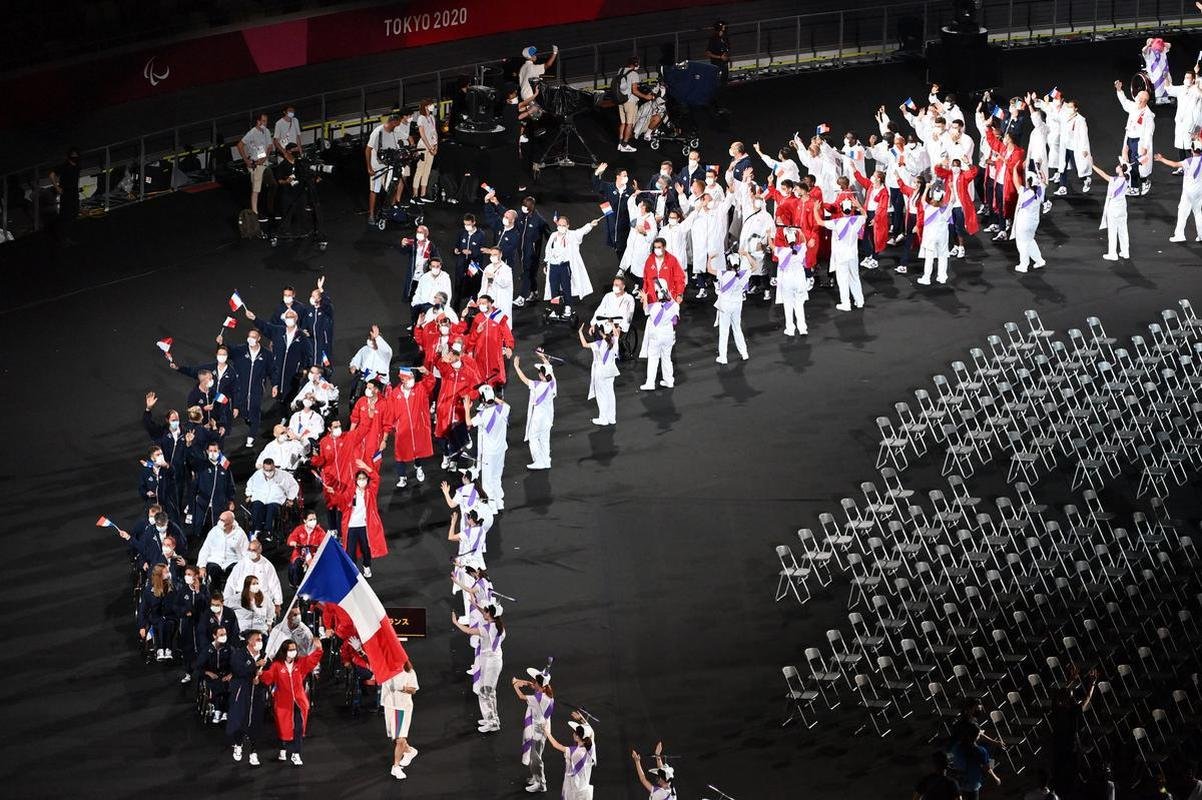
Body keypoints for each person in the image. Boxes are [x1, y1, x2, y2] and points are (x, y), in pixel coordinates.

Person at [259, 637, 323, 766]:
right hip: (283, 703)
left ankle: (296, 753)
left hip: (299, 701)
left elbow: (312, 660)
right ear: (284, 651)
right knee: (283, 728)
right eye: (290, 649)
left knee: (298, 727)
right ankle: (282, 748)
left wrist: (319, 649)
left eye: (294, 649)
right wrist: (260, 673)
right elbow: (268, 678)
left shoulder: (300, 663)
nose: (293, 652)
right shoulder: (277, 665)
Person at [451, 603, 506, 733]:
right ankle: (491, 719)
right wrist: (477, 605)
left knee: (486, 692)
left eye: (485, 611)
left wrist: (455, 622)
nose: (483, 613)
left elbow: (468, 631)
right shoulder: (500, 626)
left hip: (490, 663)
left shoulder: (486, 629)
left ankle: (492, 723)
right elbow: (487, 614)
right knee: (488, 692)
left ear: (490, 614)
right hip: (493, 661)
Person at [543, 214, 600, 320]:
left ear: (568, 226)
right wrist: (546, 263)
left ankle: (568, 307)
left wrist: (590, 225)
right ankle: (555, 309)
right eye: (559, 225)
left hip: (564, 267)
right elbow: (548, 250)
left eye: (563, 225)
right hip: (553, 267)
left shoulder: (572, 235)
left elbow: (581, 231)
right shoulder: (553, 236)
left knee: (566, 288)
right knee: (554, 289)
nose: (561, 227)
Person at [385, 367, 435, 487]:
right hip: (403, 430)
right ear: (403, 380)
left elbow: (431, 382)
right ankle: (402, 477)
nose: (412, 380)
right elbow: (390, 413)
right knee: (400, 454)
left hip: (418, 427)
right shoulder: (394, 394)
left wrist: (427, 372)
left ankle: (418, 467)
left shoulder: (420, 388)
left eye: (412, 377)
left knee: (417, 450)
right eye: (409, 378)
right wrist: (392, 427)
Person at [337, 461, 388, 576]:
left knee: (366, 549)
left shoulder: (371, 492)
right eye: (359, 478)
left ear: (367, 479)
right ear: (356, 480)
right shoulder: (350, 491)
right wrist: (335, 495)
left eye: (364, 478)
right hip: (351, 526)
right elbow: (341, 504)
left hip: (365, 526)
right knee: (350, 551)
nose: (362, 481)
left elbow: (376, 478)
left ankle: (366, 566)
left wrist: (366, 467)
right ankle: (354, 570)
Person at [227, 630, 270, 766]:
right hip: (242, 692)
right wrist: (254, 665)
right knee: (240, 718)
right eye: (257, 639)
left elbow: (269, 674)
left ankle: (253, 751)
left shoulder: (264, 656)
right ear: (249, 641)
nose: (260, 642)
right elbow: (238, 669)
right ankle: (238, 744)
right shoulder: (239, 654)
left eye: (261, 639)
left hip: (257, 693)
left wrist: (261, 678)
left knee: (256, 720)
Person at [465, 384, 510, 512]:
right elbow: (504, 404)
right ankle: (499, 502)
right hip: (501, 450)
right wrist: (493, 397)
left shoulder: (483, 415)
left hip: (489, 453)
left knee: (487, 480)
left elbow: (468, 423)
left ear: (483, 400)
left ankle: (492, 507)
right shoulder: (504, 409)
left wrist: (467, 408)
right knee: (496, 477)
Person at [819, 196, 867, 309]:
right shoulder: (857, 220)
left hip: (841, 256)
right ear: (852, 209)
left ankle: (846, 303)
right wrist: (859, 206)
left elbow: (819, 222)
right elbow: (865, 215)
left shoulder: (836, 223)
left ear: (841, 209)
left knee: (843, 279)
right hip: (853, 255)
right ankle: (859, 301)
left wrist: (816, 210)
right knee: (855, 277)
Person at [513, 667, 555, 793]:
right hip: (543, 727)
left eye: (534, 682)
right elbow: (535, 688)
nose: (533, 683)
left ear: (540, 685)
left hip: (538, 731)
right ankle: (536, 777)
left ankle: (541, 783)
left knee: (536, 758)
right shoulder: (547, 694)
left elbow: (521, 697)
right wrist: (527, 683)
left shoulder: (538, 698)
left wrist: (515, 685)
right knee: (535, 756)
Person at [188, 440, 236, 547]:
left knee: (217, 527)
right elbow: (194, 486)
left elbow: (230, 485)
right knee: (199, 526)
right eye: (210, 451)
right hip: (202, 503)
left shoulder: (225, 467)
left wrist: (231, 500)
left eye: (215, 450)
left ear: (219, 451)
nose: (213, 453)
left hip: (219, 503)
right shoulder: (201, 466)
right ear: (207, 451)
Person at [512, 354, 556, 470]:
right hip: (548, 417)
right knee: (545, 439)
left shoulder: (538, 385)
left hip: (538, 418)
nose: (538, 374)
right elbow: (549, 368)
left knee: (533, 437)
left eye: (539, 372)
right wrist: (543, 358)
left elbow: (524, 379)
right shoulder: (553, 383)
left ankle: (539, 461)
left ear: (542, 375)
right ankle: (546, 461)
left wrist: (516, 367)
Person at [1114, 79, 1155, 196]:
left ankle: (1140, 184)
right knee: (1129, 163)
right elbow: (1124, 102)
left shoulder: (1148, 115)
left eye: (1138, 97)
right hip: (1129, 139)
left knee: (1137, 165)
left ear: (1143, 101)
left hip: (1139, 142)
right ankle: (1136, 186)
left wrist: (1145, 147)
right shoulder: (1134, 106)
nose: (1136, 98)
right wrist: (1119, 90)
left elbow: (1149, 132)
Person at [465, 295, 515, 390]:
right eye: (480, 303)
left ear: (490, 303)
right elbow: (472, 335)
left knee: (496, 377)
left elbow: (507, 333)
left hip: (494, 353)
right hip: (480, 353)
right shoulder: (478, 318)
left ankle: (498, 392)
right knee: (481, 378)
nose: (481, 305)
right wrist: (470, 350)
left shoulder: (499, 317)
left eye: (483, 303)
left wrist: (509, 347)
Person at [366, 111, 406, 226]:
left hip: (389, 166)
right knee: (375, 190)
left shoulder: (393, 132)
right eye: (397, 124)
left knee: (392, 187)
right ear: (393, 122)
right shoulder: (378, 132)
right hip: (377, 167)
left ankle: (390, 211)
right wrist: (369, 167)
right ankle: (371, 215)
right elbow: (368, 150)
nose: (397, 126)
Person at [223, 539, 283, 617]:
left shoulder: (267, 565)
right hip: (243, 598)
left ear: (260, 550)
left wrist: (278, 604)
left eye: (254, 550)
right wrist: (226, 601)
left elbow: (274, 584)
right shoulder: (242, 563)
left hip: (261, 600)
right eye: (249, 550)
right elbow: (231, 582)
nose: (251, 552)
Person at [381, 659, 420, 780]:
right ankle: (409, 751)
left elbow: (413, 690)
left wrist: (402, 687)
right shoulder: (385, 669)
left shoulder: (409, 671)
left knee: (400, 739)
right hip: (389, 706)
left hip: (402, 708)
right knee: (395, 737)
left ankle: (396, 767)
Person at [243, 458, 299, 541]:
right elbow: (250, 484)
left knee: (271, 509)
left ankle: (268, 531)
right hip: (260, 498)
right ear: (263, 468)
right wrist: (249, 495)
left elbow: (294, 486)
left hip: (275, 499)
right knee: (256, 507)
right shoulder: (257, 474)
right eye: (266, 470)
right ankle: (256, 530)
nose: (268, 472)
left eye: (270, 470)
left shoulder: (283, 475)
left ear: (274, 467)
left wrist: (290, 498)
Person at [1155, 144, 1202, 241]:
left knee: (1182, 213)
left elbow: (1174, 164)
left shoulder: (1188, 161)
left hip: (1188, 192)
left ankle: (1180, 235)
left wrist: (1161, 159)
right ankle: (1201, 235)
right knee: (1198, 213)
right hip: (1199, 192)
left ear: (1192, 150)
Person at [639, 282, 679, 390]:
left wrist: (645, 298)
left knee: (653, 358)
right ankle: (669, 381)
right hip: (668, 335)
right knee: (667, 357)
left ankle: (650, 383)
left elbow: (645, 311)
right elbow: (675, 321)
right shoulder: (675, 306)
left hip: (656, 336)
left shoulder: (654, 306)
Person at [712, 252, 751, 363]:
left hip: (725, 305)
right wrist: (747, 255)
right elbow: (755, 266)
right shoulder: (743, 274)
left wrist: (710, 258)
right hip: (737, 304)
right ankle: (744, 353)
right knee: (737, 328)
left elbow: (709, 269)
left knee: (724, 331)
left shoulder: (723, 274)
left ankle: (723, 357)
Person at [237, 113, 276, 223]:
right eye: (263, 121)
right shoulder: (252, 133)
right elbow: (239, 145)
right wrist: (246, 160)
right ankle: (255, 213)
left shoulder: (266, 131)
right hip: (256, 164)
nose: (265, 123)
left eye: (266, 121)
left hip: (264, 163)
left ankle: (270, 209)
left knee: (273, 184)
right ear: (258, 121)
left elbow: (269, 146)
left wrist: (265, 157)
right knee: (256, 189)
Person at [547, 715, 597, 799]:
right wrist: (581, 719)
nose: (573, 733)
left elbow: (556, 745)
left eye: (574, 732)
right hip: (584, 788)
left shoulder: (573, 752)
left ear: (577, 737)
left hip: (573, 788)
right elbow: (591, 732)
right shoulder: (591, 747)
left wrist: (547, 732)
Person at [175, 565, 210, 684]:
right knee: (187, 648)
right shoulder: (183, 590)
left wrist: (198, 591)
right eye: (186, 574)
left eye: (189, 574)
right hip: (187, 623)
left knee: (202, 647)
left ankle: (203, 673)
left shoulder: (204, 589)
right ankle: (188, 672)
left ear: (196, 576)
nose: (187, 577)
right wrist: (185, 611)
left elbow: (207, 604)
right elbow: (176, 606)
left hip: (200, 623)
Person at [592, 163, 635, 257]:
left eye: (626, 176)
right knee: (616, 248)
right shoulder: (609, 187)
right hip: (611, 223)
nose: (626, 178)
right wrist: (597, 173)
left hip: (625, 226)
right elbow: (596, 185)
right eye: (624, 175)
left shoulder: (630, 190)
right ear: (618, 177)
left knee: (623, 250)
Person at [138, 563, 179, 661]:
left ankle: (168, 649)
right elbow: (143, 609)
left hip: (170, 617)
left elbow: (175, 605)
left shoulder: (172, 588)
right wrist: (142, 626)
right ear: (159, 575)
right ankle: (160, 649)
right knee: (161, 623)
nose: (168, 574)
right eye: (166, 572)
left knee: (166, 623)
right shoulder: (149, 591)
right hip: (156, 617)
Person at [1053, 99, 1093, 196]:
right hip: (1065, 146)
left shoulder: (1080, 120)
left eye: (1071, 107)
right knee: (1062, 166)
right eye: (1068, 107)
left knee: (1077, 169)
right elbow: (1055, 118)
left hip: (1075, 148)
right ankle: (1063, 187)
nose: (1069, 109)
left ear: (1076, 108)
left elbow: (1084, 135)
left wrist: (1084, 149)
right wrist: (1057, 108)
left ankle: (1086, 179)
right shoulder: (1064, 116)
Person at [949, 725, 1000, 799]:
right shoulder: (980, 750)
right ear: (976, 736)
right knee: (990, 761)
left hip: (959, 780)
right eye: (979, 734)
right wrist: (995, 778)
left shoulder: (957, 746)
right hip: (972, 783)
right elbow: (987, 768)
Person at [614, 56, 654, 151]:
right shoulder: (634, 74)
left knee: (623, 123)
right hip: (630, 102)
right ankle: (625, 145)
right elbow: (634, 91)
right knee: (630, 124)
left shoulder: (621, 70)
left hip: (621, 100)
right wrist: (646, 96)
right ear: (636, 64)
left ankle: (620, 143)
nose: (639, 66)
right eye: (638, 64)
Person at [196, 626, 234, 724]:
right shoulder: (207, 650)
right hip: (212, 675)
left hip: (226, 674)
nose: (224, 636)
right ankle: (218, 710)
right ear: (214, 636)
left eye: (225, 634)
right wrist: (208, 673)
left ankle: (225, 712)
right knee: (217, 685)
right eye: (221, 634)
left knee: (229, 685)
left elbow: (235, 664)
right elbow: (199, 667)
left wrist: (231, 674)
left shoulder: (229, 649)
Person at [1011, 169, 1047, 273]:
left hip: (1023, 223)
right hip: (1034, 222)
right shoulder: (1040, 190)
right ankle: (1039, 260)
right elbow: (1044, 180)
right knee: (1030, 241)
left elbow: (1015, 181)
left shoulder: (1024, 192)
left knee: (1022, 244)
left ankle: (1023, 265)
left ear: (1028, 182)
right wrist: (1040, 171)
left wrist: (1014, 169)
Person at [1094, 160, 1131, 260]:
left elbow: (1102, 174)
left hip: (1114, 208)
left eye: (1118, 166)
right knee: (1123, 230)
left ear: (1121, 169)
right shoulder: (1127, 178)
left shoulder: (1115, 180)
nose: (1116, 167)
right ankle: (1125, 252)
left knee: (1112, 231)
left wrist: (1092, 165)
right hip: (1122, 207)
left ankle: (1113, 254)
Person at [917, 181, 952, 285]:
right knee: (943, 255)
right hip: (942, 236)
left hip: (930, 236)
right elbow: (952, 200)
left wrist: (927, 188)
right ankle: (942, 277)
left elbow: (923, 200)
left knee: (929, 257)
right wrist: (951, 188)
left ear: (932, 198)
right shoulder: (946, 208)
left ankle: (926, 278)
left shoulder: (928, 208)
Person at [349, 324, 394, 401]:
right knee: (357, 401)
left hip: (380, 383)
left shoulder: (385, 352)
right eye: (372, 338)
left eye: (376, 339)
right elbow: (356, 360)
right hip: (365, 382)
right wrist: (353, 366)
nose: (374, 340)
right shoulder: (364, 349)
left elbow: (387, 350)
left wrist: (377, 337)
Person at [285, 509, 326, 588]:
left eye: (314, 519)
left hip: (313, 554)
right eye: (310, 520)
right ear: (304, 520)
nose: (313, 521)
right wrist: (293, 542)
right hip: (299, 553)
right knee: (295, 565)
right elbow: (291, 539)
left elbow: (324, 542)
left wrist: (319, 549)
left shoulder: (319, 531)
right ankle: (297, 584)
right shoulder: (299, 529)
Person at [48, 147, 81, 242]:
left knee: (74, 213)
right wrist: (57, 187)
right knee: (66, 214)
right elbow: (51, 175)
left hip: (73, 192)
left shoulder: (77, 166)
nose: (75, 157)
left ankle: (68, 235)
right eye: (73, 155)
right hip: (66, 193)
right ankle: (63, 236)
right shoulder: (65, 166)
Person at [400, 226, 440, 303]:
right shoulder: (413, 243)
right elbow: (403, 252)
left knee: (422, 294)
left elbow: (437, 259)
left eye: (421, 232)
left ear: (426, 234)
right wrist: (403, 244)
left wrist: (433, 268)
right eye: (417, 232)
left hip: (423, 275)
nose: (418, 234)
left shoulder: (430, 245)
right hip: (413, 274)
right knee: (411, 292)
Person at [454, 213, 488, 301]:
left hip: (474, 261)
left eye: (468, 224)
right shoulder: (462, 232)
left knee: (473, 280)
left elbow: (482, 249)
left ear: (474, 223)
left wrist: (471, 252)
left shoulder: (481, 234)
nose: (467, 226)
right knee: (460, 278)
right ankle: (460, 295)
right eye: (465, 224)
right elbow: (457, 243)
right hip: (462, 260)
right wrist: (456, 249)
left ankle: (473, 298)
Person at [412, 99, 439, 202]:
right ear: (426, 106)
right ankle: (415, 195)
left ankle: (423, 194)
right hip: (423, 146)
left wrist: (436, 146)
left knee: (427, 171)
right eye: (431, 105)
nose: (433, 106)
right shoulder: (421, 118)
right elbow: (422, 135)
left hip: (432, 146)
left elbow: (435, 132)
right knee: (420, 170)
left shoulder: (432, 117)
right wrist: (430, 147)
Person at [481, 249, 516, 323]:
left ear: (500, 255)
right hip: (490, 299)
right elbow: (483, 285)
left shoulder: (506, 269)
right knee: (490, 323)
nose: (493, 256)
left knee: (502, 323)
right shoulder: (487, 268)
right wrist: (480, 297)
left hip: (501, 300)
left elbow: (505, 283)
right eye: (491, 255)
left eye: (495, 254)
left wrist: (494, 277)